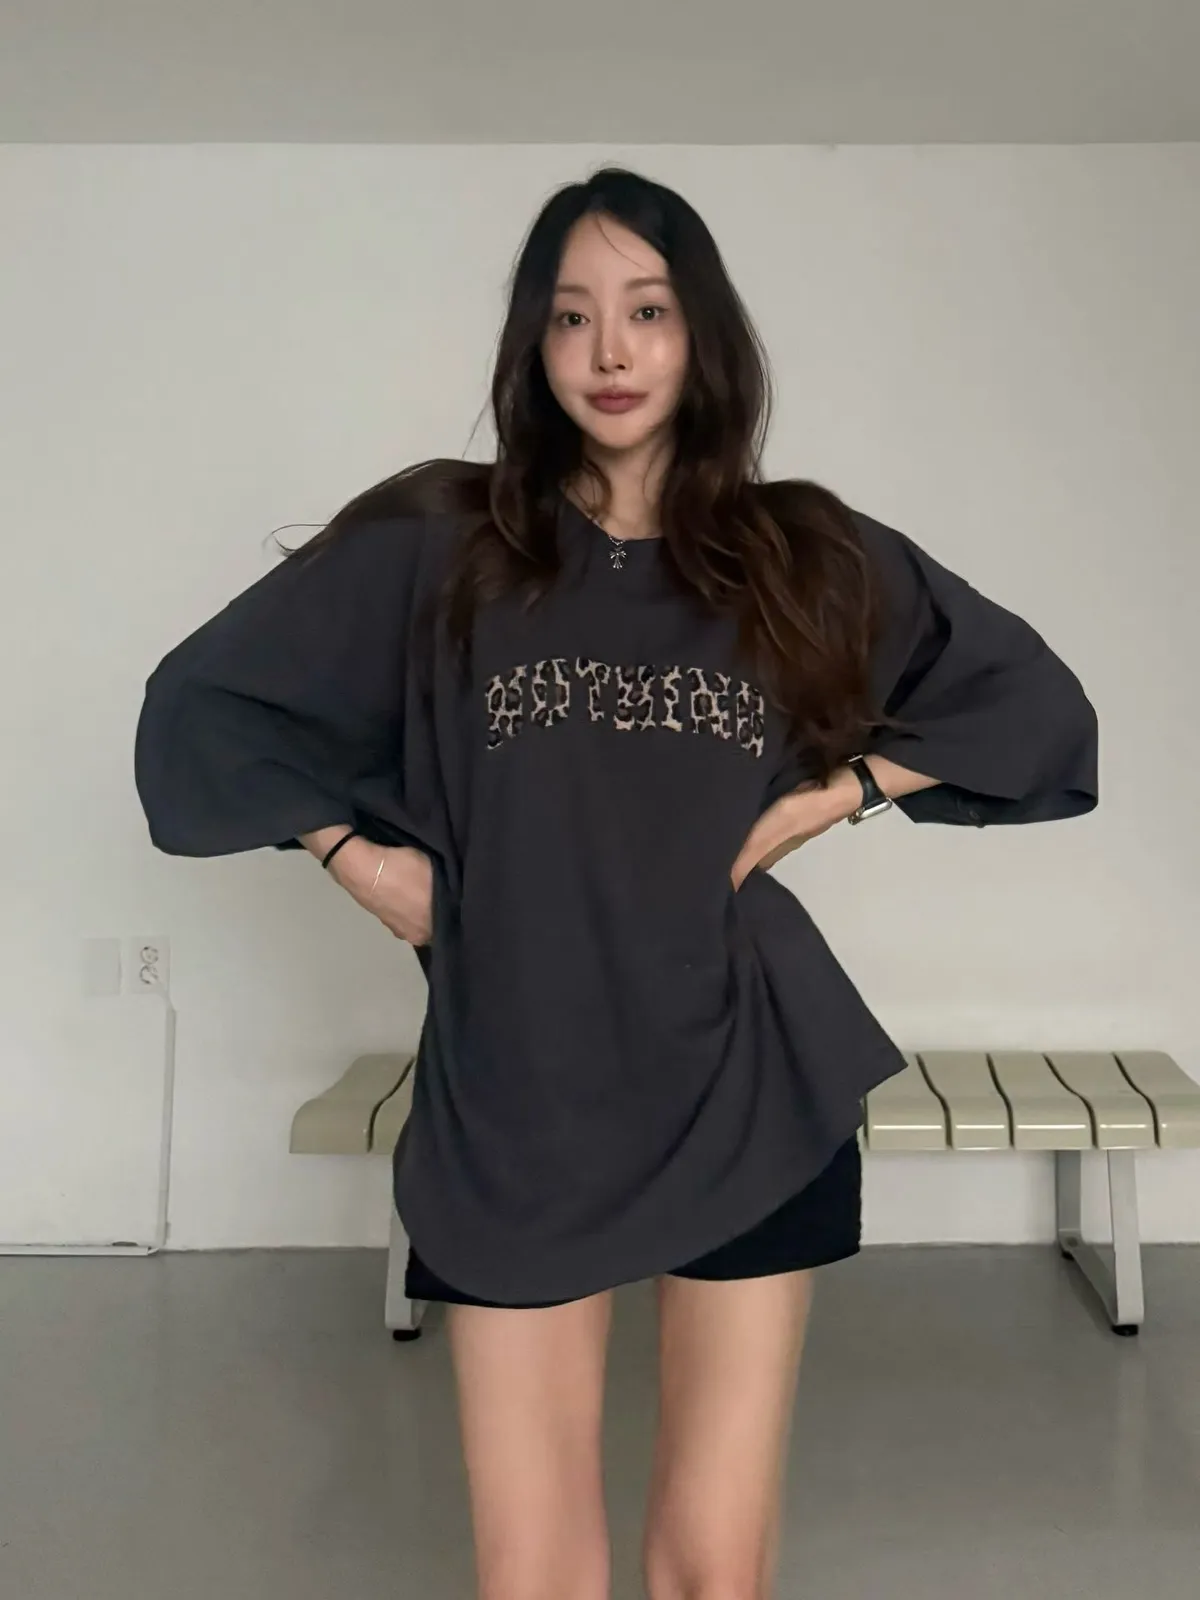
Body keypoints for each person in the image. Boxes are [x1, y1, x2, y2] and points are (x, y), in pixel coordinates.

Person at [135, 168, 1098, 1600]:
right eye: (572, 316)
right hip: (514, 1094)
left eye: (646, 311)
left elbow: (1034, 708)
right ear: (534, 345)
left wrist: (834, 793)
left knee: (714, 1573)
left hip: (746, 1080)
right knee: (535, 1579)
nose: (609, 351)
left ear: (700, 333)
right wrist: (356, 858)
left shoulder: (800, 555)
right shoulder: (440, 547)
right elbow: (201, 706)